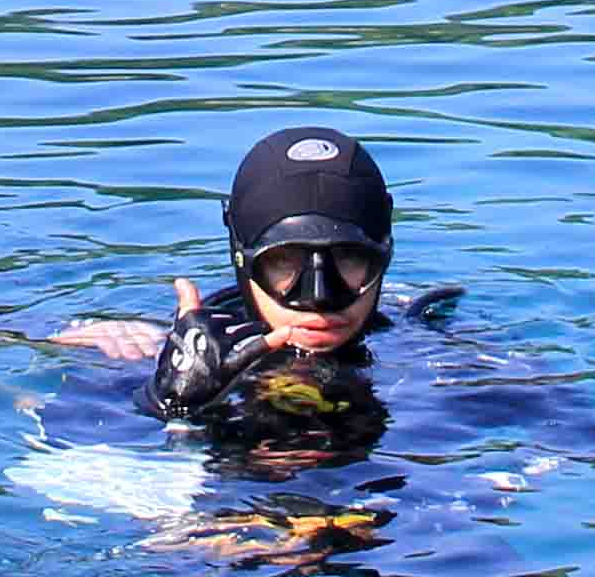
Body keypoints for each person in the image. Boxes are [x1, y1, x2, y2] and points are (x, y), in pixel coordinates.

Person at [59, 125, 433, 445]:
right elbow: (61, 432)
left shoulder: (432, 354)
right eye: (285, 262)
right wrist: (164, 401)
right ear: (242, 260)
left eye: (350, 258)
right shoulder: (162, 352)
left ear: (385, 255)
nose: (319, 298)